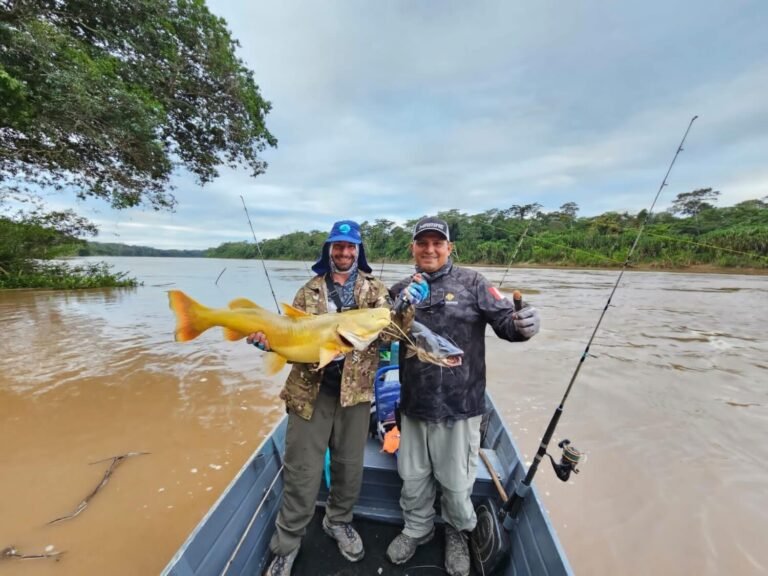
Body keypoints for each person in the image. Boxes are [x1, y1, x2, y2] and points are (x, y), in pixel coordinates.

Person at [248, 220, 425, 576]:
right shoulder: (308, 291)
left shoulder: (375, 292)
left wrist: (407, 307)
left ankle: (338, 521)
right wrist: (268, 343)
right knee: (302, 470)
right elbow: (292, 341)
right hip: (309, 392)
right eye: (338, 246)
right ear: (328, 249)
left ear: (359, 251)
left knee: (349, 466)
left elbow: (393, 336)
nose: (344, 253)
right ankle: (287, 544)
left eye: (350, 247)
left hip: (355, 394)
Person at [386, 216, 541, 576]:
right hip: (413, 405)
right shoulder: (399, 288)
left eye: (437, 243)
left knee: (456, 485)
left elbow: (507, 324)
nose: (429, 249)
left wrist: (524, 324)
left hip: (461, 405)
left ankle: (458, 531)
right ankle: (417, 529)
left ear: (449, 247)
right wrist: (401, 306)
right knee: (413, 477)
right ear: (413, 248)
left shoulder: (473, 283)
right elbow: (385, 336)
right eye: (422, 243)